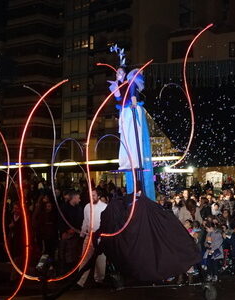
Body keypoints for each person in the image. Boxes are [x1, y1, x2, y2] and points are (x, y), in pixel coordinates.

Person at [108, 44, 155, 200]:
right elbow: (120, 100)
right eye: (117, 72)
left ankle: (135, 160)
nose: (118, 74)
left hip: (131, 111)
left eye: (120, 71)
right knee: (125, 138)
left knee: (132, 137)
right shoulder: (120, 85)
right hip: (124, 112)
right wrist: (115, 92)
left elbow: (133, 94)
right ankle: (127, 161)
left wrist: (134, 102)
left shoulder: (130, 82)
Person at [76, 190, 108, 288]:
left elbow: (107, 222)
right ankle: (80, 282)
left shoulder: (104, 207)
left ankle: (99, 280)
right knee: (85, 259)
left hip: (99, 237)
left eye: (93, 195)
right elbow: (85, 221)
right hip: (89, 236)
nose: (92, 197)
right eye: (90, 195)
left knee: (100, 259)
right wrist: (82, 234)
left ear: (98, 196)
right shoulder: (87, 207)